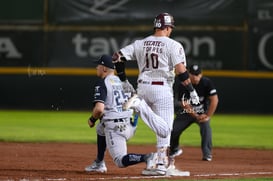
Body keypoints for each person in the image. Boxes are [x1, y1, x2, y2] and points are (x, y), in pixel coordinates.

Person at [112, 13, 200, 175]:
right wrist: (192, 91)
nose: (171, 30)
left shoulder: (141, 43)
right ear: (167, 27)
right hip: (162, 88)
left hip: (142, 87)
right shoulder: (173, 45)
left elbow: (117, 57)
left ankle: (161, 165)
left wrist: (124, 80)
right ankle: (139, 104)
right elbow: (181, 71)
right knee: (166, 130)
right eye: (170, 28)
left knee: (162, 129)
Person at [85, 55, 153, 173]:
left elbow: (99, 109)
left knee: (120, 161)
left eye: (99, 65)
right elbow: (136, 100)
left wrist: (91, 119)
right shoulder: (123, 82)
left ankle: (147, 157)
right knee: (100, 128)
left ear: (104, 69)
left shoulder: (102, 83)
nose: (97, 67)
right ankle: (99, 162)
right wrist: (135, 119)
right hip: (130, 126)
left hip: (116, 129)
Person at [169, 64, 219, 161]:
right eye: (193, 74)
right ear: (188, 74)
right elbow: (185, 104)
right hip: (186, 113)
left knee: (206, 129)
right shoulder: (183, 85)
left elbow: (214, 100)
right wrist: (195, 115)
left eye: (198, 74)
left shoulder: (207, 82)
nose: (195, 77)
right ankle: (174, 149)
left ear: (201, 74)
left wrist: (207, 116)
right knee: (174, 130)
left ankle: (207, 154)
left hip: (202, 113)